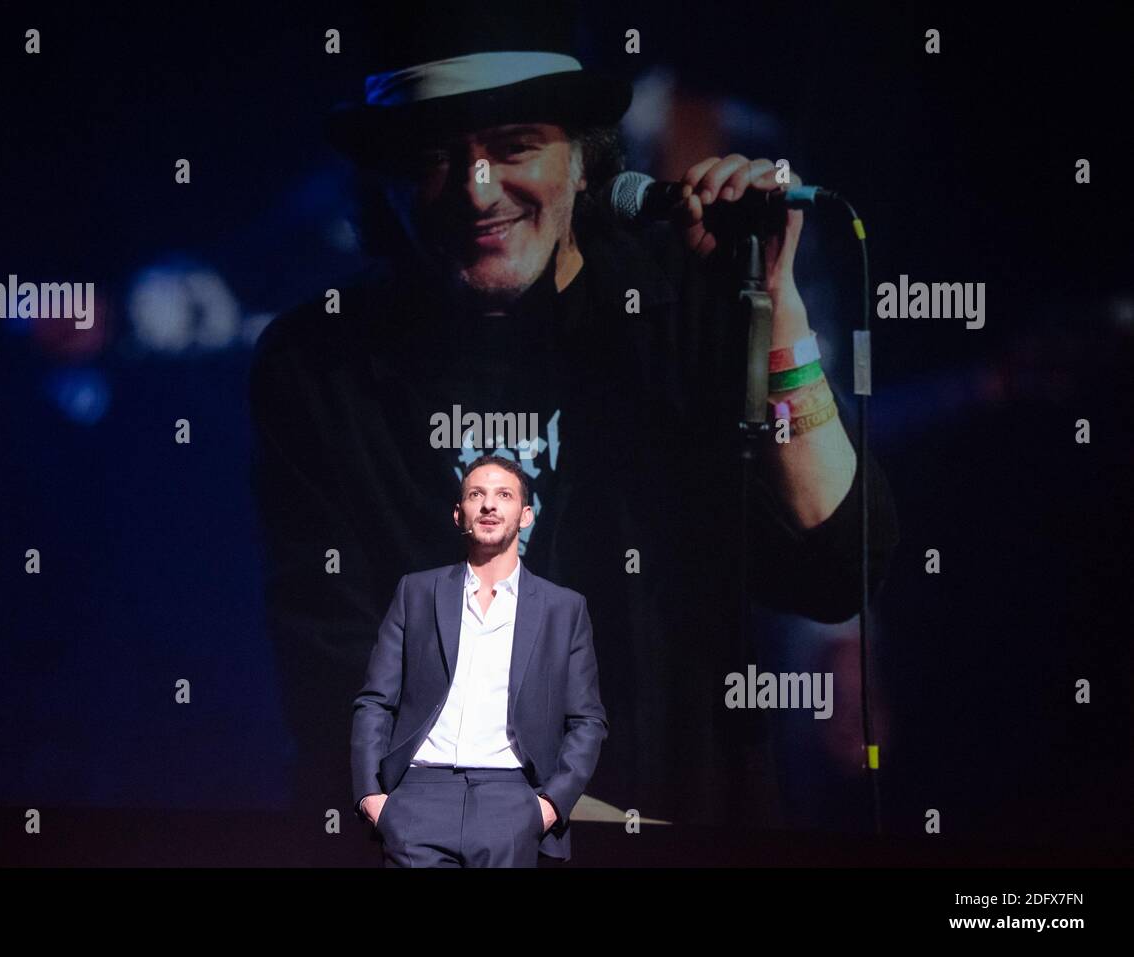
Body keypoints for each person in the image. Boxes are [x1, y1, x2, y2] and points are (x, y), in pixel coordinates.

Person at [248, 3, 899, 863]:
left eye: (515, 145)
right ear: (385, 179)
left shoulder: (680, 305)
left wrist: (776, 311)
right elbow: (341, 696)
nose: (478, 191)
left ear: (585, 160)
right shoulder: (320, 364)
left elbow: (836, 564)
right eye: (436, 157)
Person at [351, 456, 606, 866]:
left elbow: (587, 721)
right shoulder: (417, 593)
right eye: (476, 495)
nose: (489, 506)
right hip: (419, 796)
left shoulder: (564, 609)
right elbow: (374, 701)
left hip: (511, 801)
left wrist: (549, 805)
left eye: (503, 495)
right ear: (459, 514)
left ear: (525, 516)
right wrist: (371, 796)